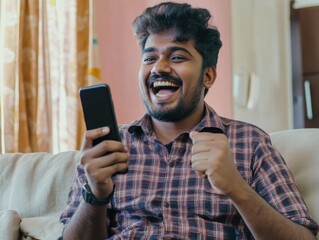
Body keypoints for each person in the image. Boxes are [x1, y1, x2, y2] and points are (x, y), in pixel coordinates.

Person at [59, 2, 319, 239]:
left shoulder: (250, 143)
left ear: (208, 76)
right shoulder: (108, 149)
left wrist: (236, 188)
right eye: (149, 58)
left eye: (177, 57)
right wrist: (95, 195)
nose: (159, 68)